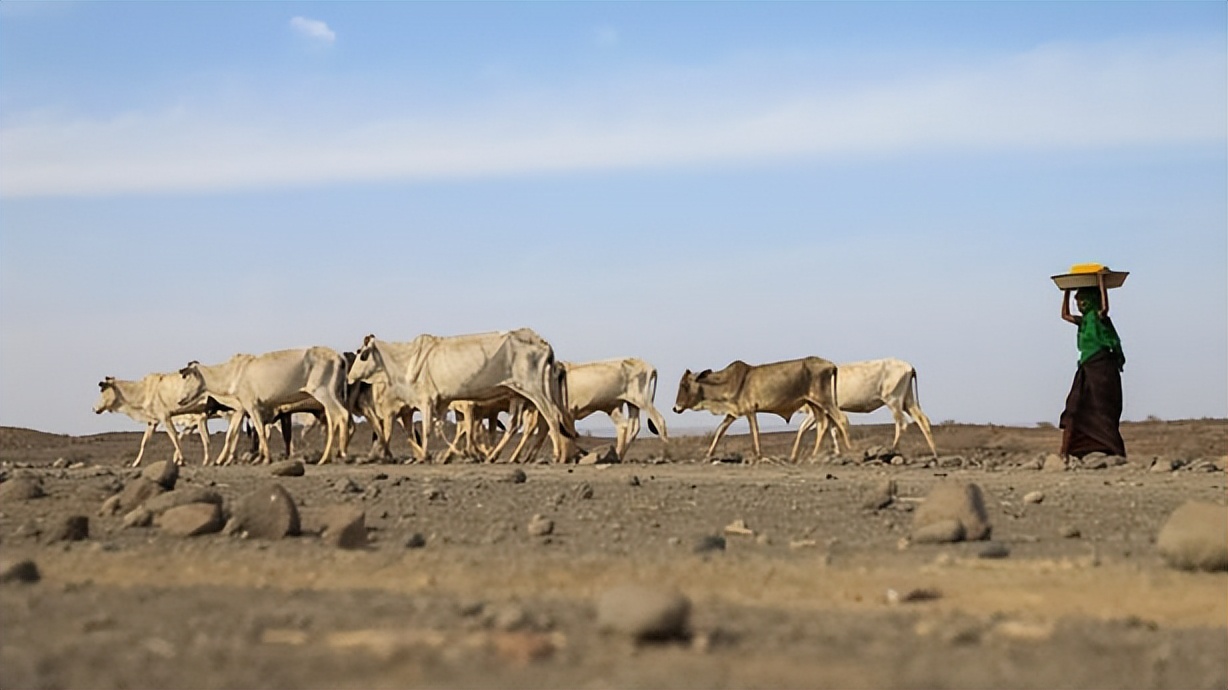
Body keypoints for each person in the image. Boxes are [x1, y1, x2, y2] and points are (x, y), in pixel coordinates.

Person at [1058, 272, 1126, 458]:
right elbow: (1064, 315)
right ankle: (1067, 453)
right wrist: (1066, 290)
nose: (1078, 304)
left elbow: (1105, 308)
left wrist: (1101, 282)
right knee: (1074, 408)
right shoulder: (1083, 321)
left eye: (1081, 301)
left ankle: (1111, 451)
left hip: (1102, 369)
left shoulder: (1098, 317)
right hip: (1087, 367)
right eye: (1076, 301)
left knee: (1102, 411)